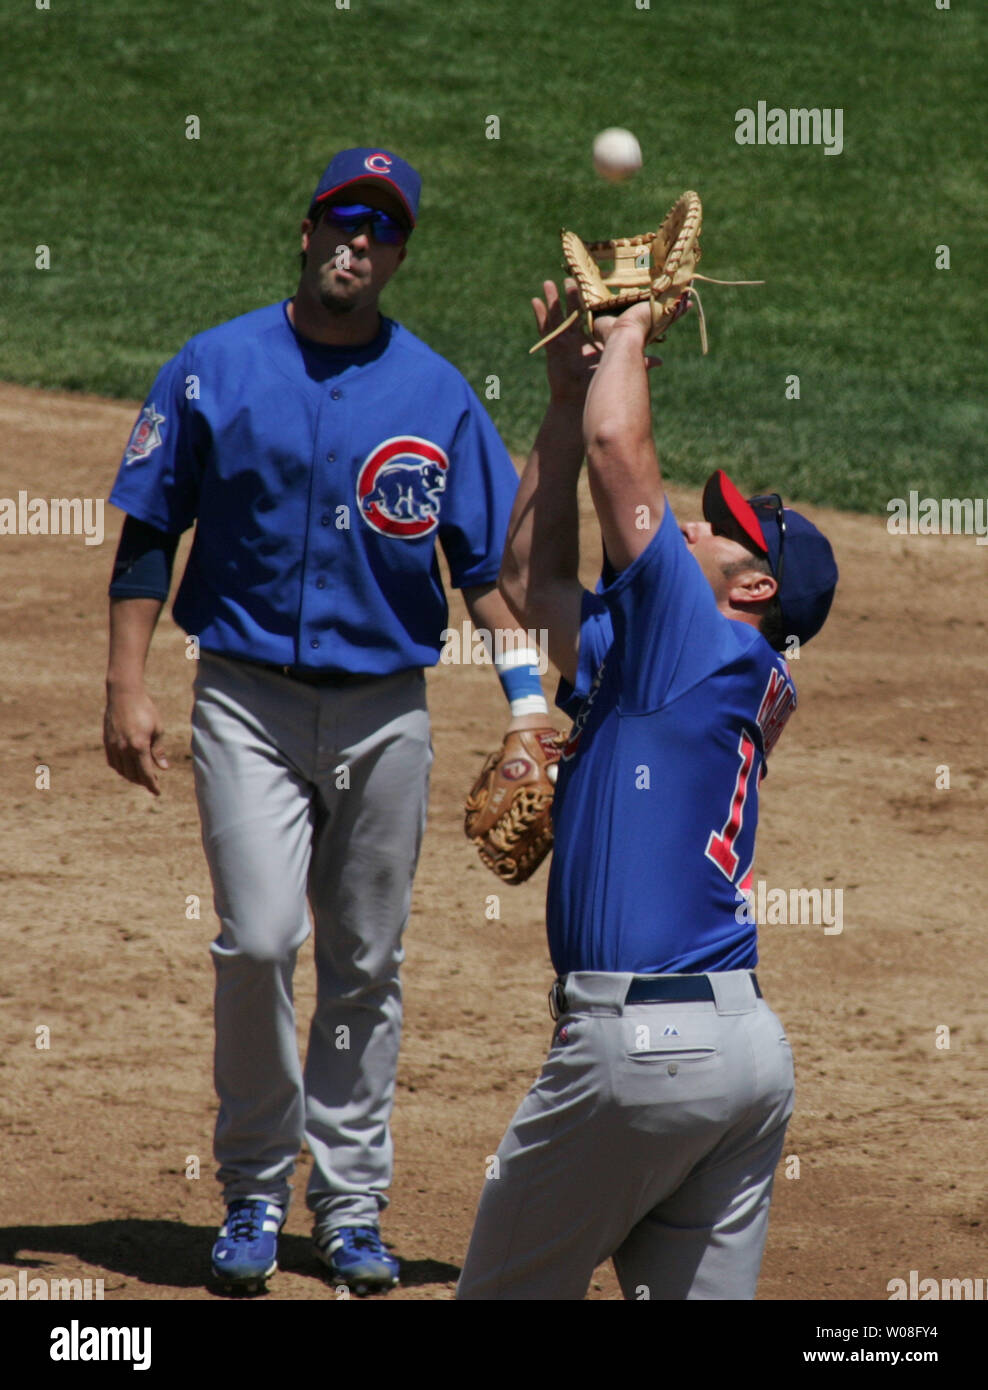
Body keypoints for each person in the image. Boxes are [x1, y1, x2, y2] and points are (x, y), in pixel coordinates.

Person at [103, 147, 551, 1296]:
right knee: (259, 939)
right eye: (344, 219)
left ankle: (350, 1206)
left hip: (384, 716)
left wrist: (528, 706)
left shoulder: (436, 392)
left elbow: (484, 577)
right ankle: (254, 1187)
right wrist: (128, 683)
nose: (361, 240)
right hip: (244, 701)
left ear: (399, 253)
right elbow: (152, 529)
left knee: (363, 961)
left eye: (384, 228)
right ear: (305, 231)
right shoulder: (216, 366)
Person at [457, 282, 838, 1300]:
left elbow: (621, 447)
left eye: (722, 532)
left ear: (754, 588)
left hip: (640, 1051)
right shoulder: (680, 663)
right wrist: (558, 395)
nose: (698, 533)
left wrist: (625, 329)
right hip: (743, 1061)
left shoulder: (701, 639)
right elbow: (528, 582)